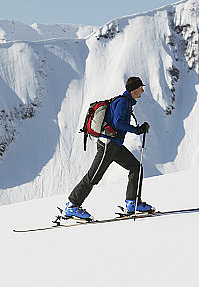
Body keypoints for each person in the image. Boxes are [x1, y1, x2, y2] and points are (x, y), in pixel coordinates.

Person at [65, 76, 153, 219]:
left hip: (115, 145)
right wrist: (137, 130)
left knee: (136, 167)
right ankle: (72, 206)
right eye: (140, 88)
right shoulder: (123, 102)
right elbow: (118, 122)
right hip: (108, 144)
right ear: (134, 90)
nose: (142, 90)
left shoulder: (126, 102)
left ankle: (132, 203)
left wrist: (138, 129)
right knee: (93, 177)